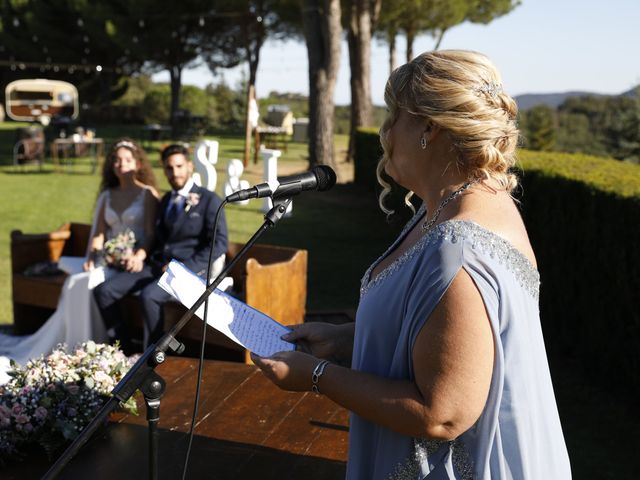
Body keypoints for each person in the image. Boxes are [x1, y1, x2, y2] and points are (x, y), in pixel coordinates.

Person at [251, 50, 571, 479]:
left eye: (393, 115)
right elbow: (442, 331)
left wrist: (316, 375)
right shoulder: (449, 207)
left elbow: (442, 413)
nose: (385, 132)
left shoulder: (460, 244)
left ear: (429, 127)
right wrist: (347, 338)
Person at [0, 138, 158, 383]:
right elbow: (98, 235)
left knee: (86, 285)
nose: (121, 165)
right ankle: (79, 346)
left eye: (127, 160)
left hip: (134, 263)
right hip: (108, 260)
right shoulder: (107, 195)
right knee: (78, 282)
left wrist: (137, 254)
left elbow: (150, 234)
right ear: (111, 165)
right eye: (116, 160)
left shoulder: (147, 195)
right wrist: (93, 256)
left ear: (137, 164)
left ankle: (103, 344)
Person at [94, 143, 228, 348]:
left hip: (187, 271)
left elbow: (219, 243)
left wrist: (184, 268)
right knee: (104, 291)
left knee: (149, 296)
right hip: (156, 266)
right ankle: (124, 348)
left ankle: (154, 356)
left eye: (179, 166)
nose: (175, 172)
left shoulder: (209, 200)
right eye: (169, 168)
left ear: (190, 167)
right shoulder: (166, 200)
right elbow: (156, 237)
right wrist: (136, 256)